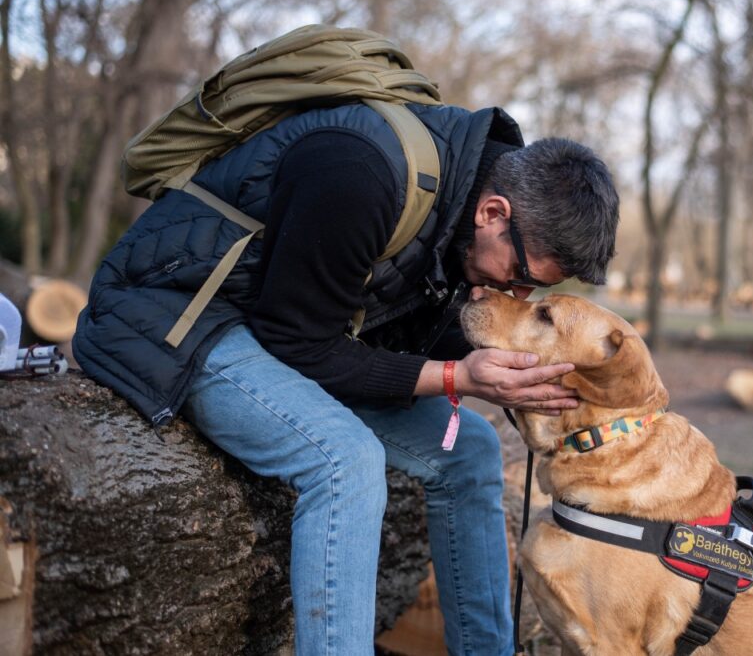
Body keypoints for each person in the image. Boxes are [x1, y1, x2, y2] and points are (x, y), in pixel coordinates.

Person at [73, 98, 619, 655]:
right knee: (344, 461)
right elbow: (297, 340)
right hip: (178, 314)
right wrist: (457, 377)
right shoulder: (360, 172)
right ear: (494, 213)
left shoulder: (462, 205)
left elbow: (391, 323)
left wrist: (513, 371)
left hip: (276, 320)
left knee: (472, 449)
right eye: (523, 276)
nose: (518, 295)